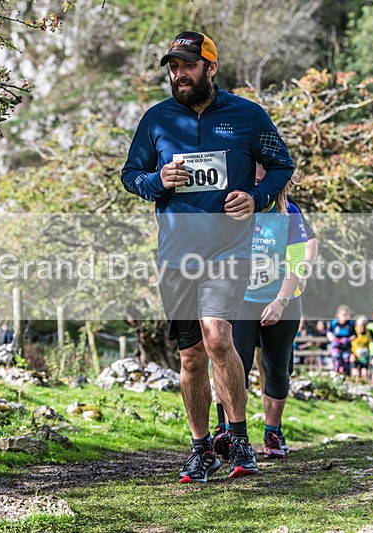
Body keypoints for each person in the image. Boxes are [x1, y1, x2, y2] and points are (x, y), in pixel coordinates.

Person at [121, 31, 294, 482]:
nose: (179, 74)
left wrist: (257, 197)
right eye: (173, 67)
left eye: (188, 66)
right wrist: (159, 180)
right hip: (176, 255)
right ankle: (201, 449)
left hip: (228, 250)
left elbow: (283, 165)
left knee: (218, 337)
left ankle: (239, 440)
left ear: (210, 68)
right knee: (192, 357)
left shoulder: (247, 116)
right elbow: (130, 176)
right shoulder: (156, 120)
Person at [223, 165, 307, 459]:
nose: (257, 187)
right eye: (252, 180)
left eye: (263, 181)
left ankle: (272, 432)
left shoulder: (290, 214)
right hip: (241, 300)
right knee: (234, 364)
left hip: (280, 300)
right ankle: (228, 432)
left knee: (277, 368)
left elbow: (297, 263)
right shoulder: (233, 209)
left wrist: (280, 301)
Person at [327, 305, 355, 375]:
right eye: (342, 315)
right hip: (336, 347)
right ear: (338, 315)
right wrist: (333, 339)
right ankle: (336, 377)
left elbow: (354, 335)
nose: (344, 317)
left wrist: (347, 339)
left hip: (346, 348)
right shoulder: (334, 323)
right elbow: (328, 332)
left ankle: (345, 378)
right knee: (336, 361)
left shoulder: (350, 323)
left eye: (345, 315)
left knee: (345, 364)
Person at [350, 315, 373, 381]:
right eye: (360, 325)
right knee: (355, 373)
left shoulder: (370, 332)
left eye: (364, 325)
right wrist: (351, 354)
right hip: (355, 356)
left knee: (364, 373)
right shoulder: (353, 331)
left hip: (365, 357)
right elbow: (348, 343)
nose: (362, 327)